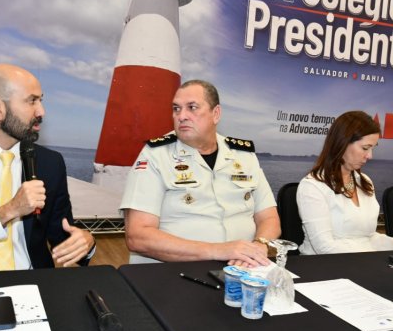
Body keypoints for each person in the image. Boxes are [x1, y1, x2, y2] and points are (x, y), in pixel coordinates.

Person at [121, 79, 281, 266]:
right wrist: (218, 251)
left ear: (216, 114)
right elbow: (138, 236)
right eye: (176, 109)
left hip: (244, 268)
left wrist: (259, 246)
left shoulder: (244, 155)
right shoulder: (155, 155)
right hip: (174, 270)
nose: (181, 116)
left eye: (192, 107)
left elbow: (269, 218)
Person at [0, 63, 95, 270]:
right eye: (32, 101)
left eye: (41, 100)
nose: (41, 111)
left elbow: (61, 235)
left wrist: (85, 242)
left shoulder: (50, 163)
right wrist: (9, 211)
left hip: (34, 280)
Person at [297, 110, 393, 254]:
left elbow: (369, 237)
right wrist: (370, 258)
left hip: (361, 260)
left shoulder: (365, 182)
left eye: (373, 148)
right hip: (325, 264)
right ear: (342, 143)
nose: (370, 156)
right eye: (365, 148)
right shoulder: (312, 186)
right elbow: (324, 247)